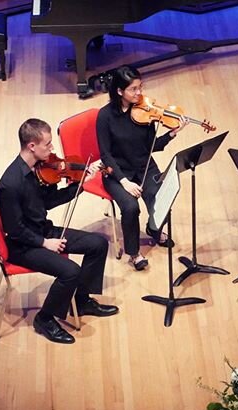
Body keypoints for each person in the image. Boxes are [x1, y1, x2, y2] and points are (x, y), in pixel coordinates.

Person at [0, 119, 119, 344]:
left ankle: (81, 301)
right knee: (70, 271)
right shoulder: (11, 184)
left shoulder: (39, 170)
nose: (53, 150)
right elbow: (14, 230)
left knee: (98, 245)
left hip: (42, 230)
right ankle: (44, 318)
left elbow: (49, 201)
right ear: (32, 146)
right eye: (48, 145)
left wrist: (80, 184)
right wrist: (44, 243)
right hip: (22, 245)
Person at [97, 65, 188, 271]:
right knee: (130, 208)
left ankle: (154, 229)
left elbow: (151, 146)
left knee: (161, 196)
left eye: (140, 87)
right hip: (117, 172)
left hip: (143, 165)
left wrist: (172, 134)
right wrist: (125, 182)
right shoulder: (105, 116)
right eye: (133, 89)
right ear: (120, 91)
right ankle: (134, 253)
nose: (139, 93)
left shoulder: (144, 112)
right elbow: (106, 155)